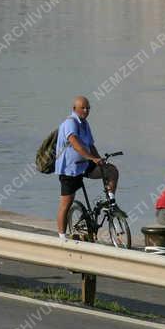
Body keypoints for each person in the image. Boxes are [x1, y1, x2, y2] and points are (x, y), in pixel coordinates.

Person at [55, 94, 119, 240]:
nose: (86, 110)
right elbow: (76, 144)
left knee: (111, 171)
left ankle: (110, 202)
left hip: (84, 165)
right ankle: (62, 238)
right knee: (66, 204)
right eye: (82, 108)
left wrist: (99, 159)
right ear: (74, 109)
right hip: (69, 170)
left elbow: (90, 145)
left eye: (88, 108)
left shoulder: (85, 123)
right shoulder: (70, 123)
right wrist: (92, 158)